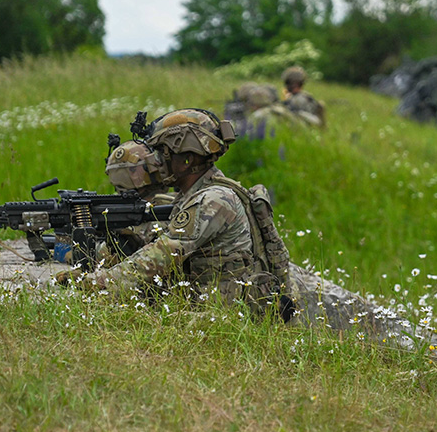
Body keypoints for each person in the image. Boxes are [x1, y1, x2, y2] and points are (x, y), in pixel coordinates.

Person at [59, 109, 289, 318]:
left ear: (187, 159)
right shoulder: (192, 196)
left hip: (224, 315)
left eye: (162, 153)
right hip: (209, 305)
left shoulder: (214, 200)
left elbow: (163, 254)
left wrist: (94, 282)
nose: (156, 162)